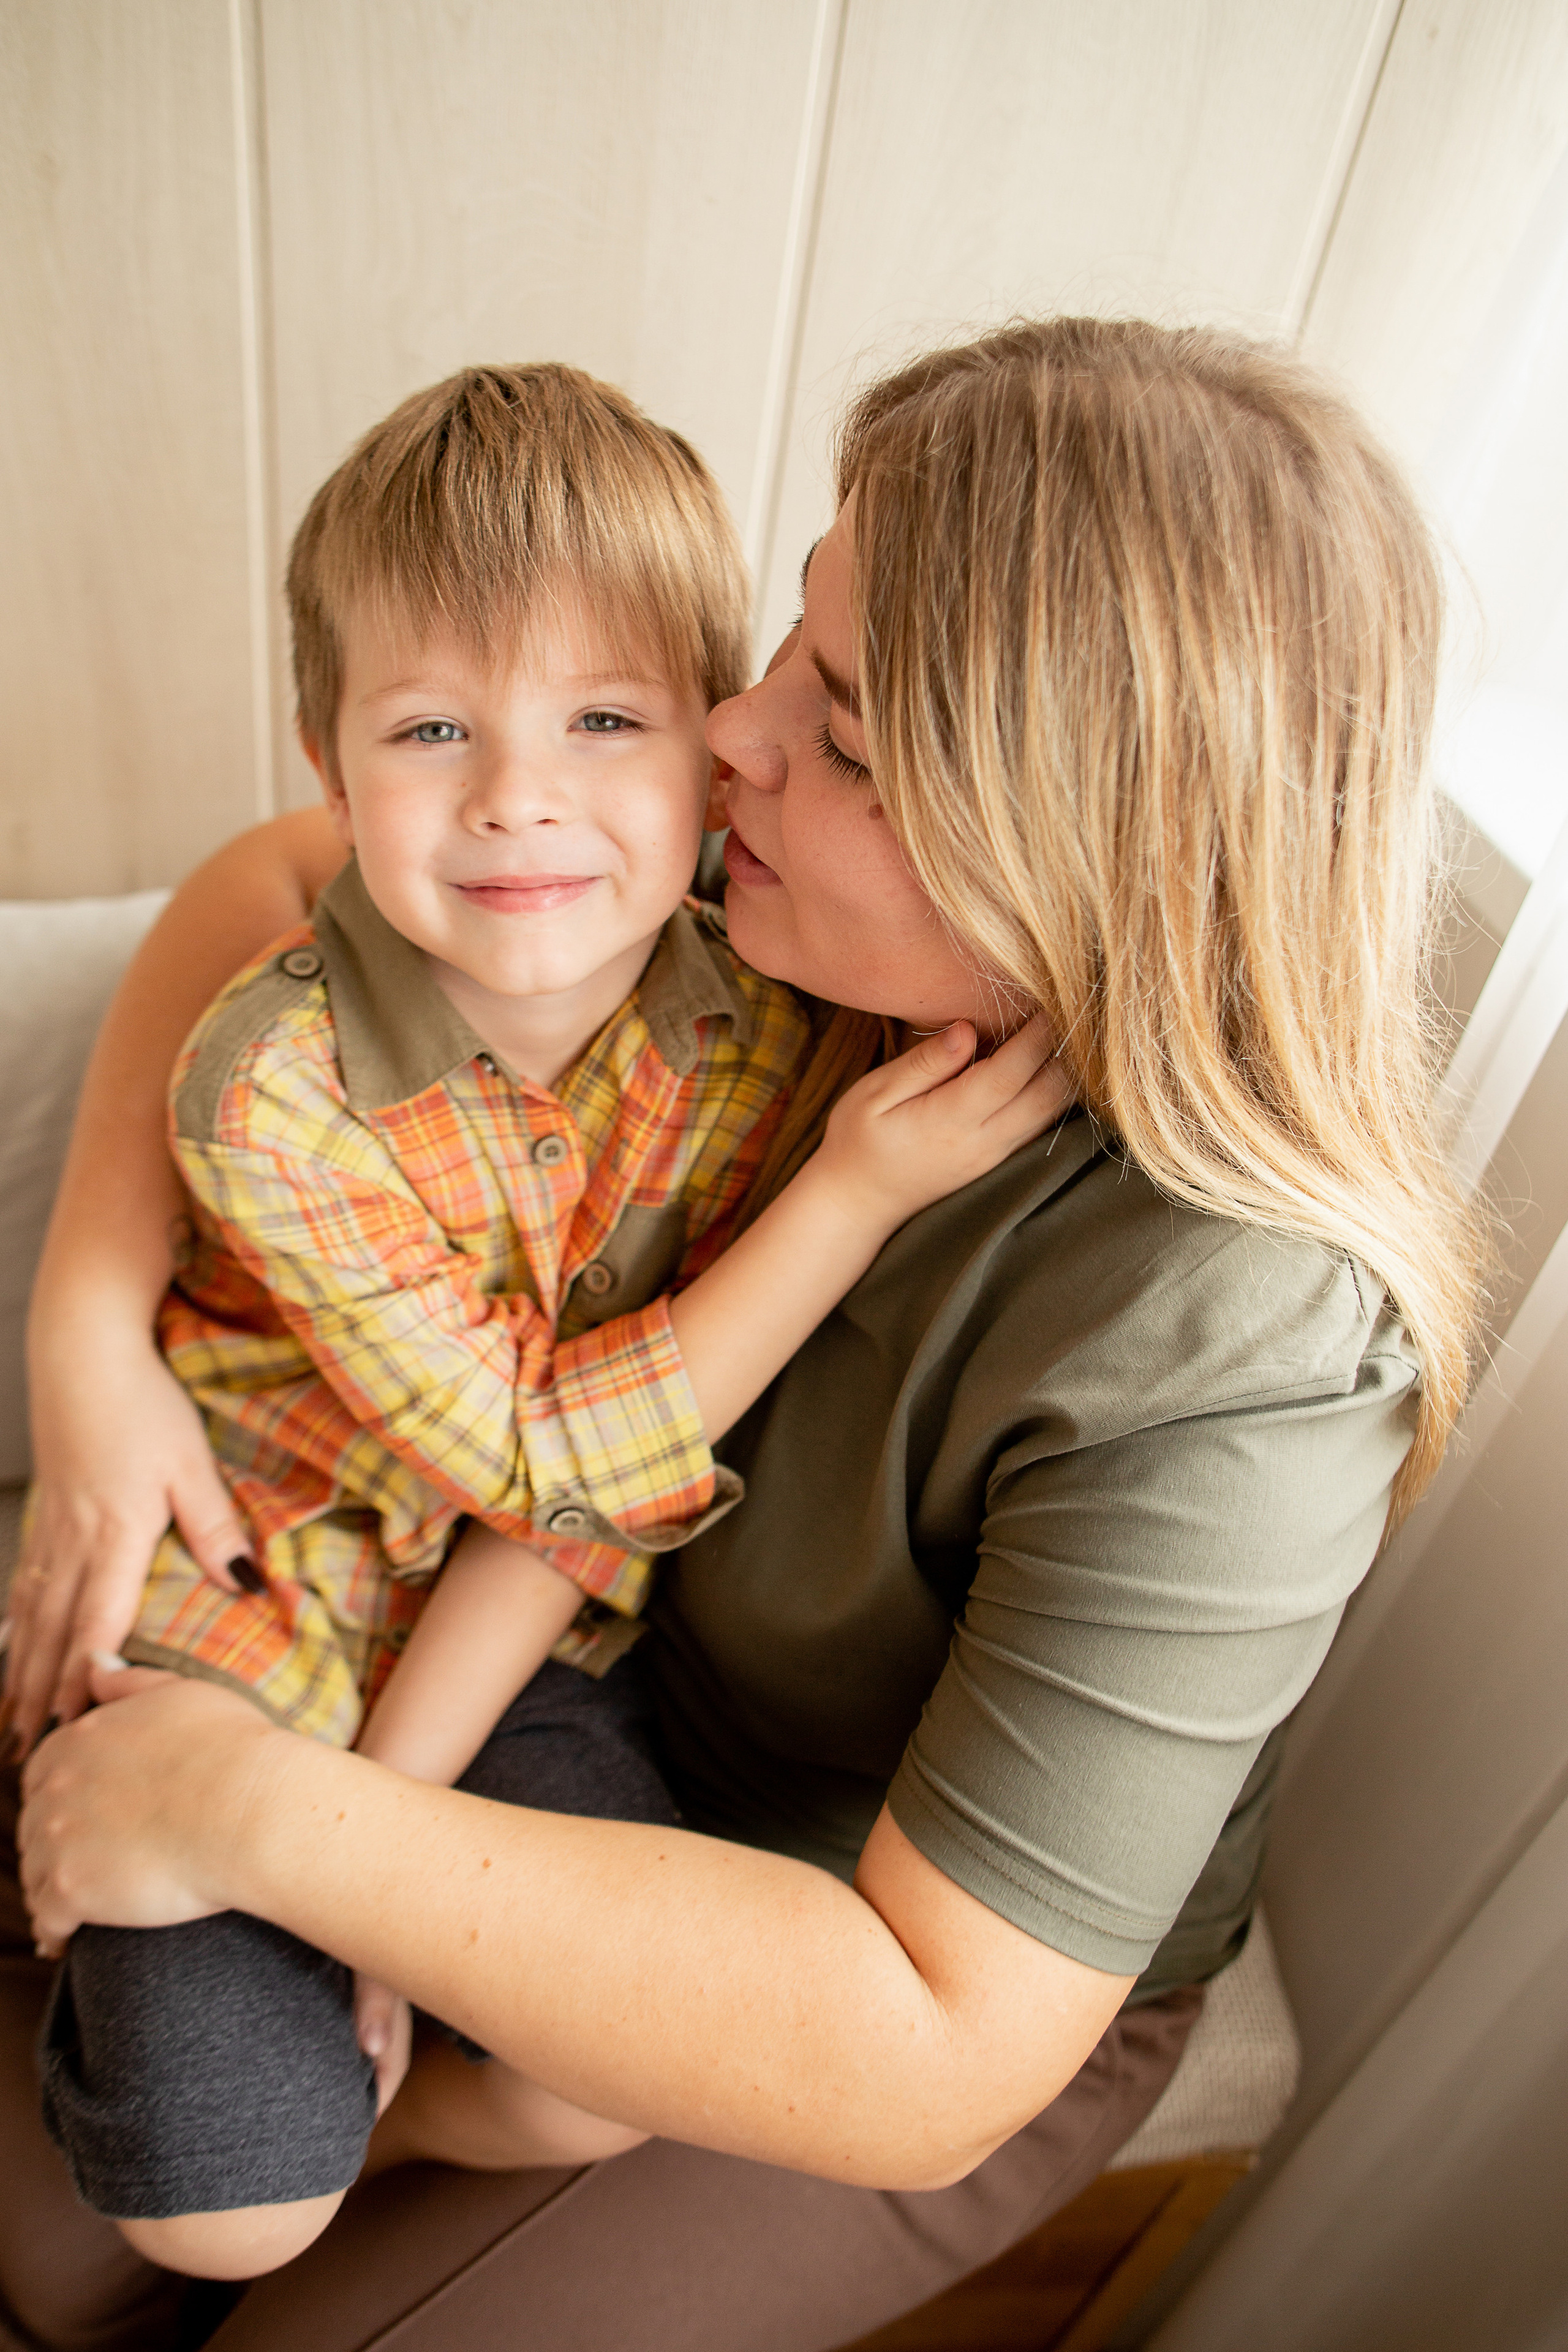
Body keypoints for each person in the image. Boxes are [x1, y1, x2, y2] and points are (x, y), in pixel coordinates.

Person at [9, 318, 1480, 2352]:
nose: (730, 731)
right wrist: (88, 1321)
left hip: (844, 1934)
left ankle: (397, 2114)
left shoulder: (1248, 1345)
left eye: (845, 728)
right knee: (75, 2244)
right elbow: (279, 879)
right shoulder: (769, 871)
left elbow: (928, 2039)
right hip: (565, 1658)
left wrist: (262, 1819)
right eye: (794, 641)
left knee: (250, 2255)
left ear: (1066, 847)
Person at [6, 359, 1061, 2271]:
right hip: (267, 1580)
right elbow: (531, 1456)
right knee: (221, 2214)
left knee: (619, 2069)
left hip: (536, 1638)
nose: (517, 799)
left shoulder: (774, 1016)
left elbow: (560, 1530)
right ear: (328, 762)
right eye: (429, 730)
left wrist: (360, 1855)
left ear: (712, 752)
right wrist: (847, 1204)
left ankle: (370, 2113)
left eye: (602, 718)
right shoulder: (274, 1087)